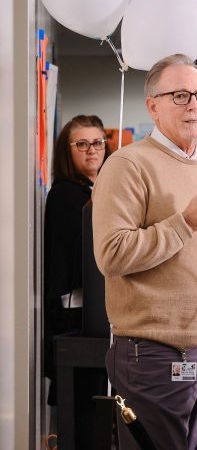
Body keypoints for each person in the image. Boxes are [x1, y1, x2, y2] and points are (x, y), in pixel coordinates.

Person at [92, 54, 197, 450]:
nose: (194, 104)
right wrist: (185, 223)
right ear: (153, 106)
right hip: (156, 354)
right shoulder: (128, 165)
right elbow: (112, 254)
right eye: (179, 95)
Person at [44, 115, 110, 447]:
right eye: (81, 144)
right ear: (67, 151)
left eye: (98, 142)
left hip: (107, 311)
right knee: (80, 408)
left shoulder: (106, 189)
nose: (92, 151)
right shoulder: (65, 196)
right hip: (76, 315)